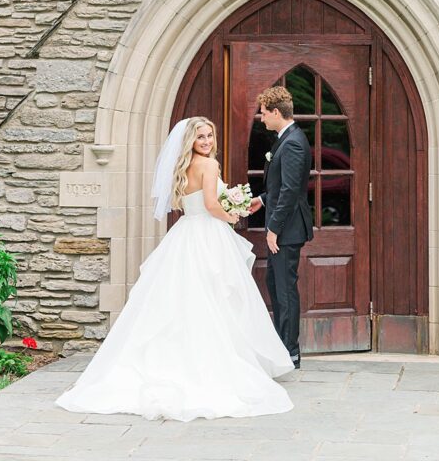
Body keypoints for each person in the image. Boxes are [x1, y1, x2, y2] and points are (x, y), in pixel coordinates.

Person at [55, 116, 295, 422]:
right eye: (201, 138)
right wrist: (231, 215)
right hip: (208, 234)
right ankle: (212, 364)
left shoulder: (181, 167)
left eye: (209, 135)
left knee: (184, 299)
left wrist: (225, 206)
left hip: (185, 234)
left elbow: (185, 204)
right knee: (213, 297)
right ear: (191, 142)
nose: (207, 141)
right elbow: (210, 204)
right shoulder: (209, 166)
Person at [248, 86, 313, 369]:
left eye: (263, 114)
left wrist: (273, 228)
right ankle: (282, 347)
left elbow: (290, 190)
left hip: (287, 229)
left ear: (276, 113)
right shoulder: (284, 139)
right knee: (276, 286)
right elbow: (280, 186)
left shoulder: (294, 142)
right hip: (280, 225)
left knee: (285, 290)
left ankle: (290, 351)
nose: (261, 119)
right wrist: (262, 200)